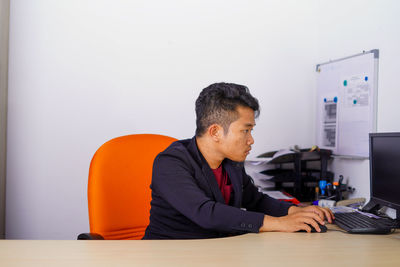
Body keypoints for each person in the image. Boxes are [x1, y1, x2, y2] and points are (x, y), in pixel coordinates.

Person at [143, 82, 334, 239]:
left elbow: (255, 200)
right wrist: (279, 223)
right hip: (169, 255)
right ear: (215, 132)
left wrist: (293, 212)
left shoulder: (231, 162)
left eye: (251, 131)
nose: (251, 140)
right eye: (245, 130)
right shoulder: (170, 162)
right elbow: (205, 212)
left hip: (217, 253)